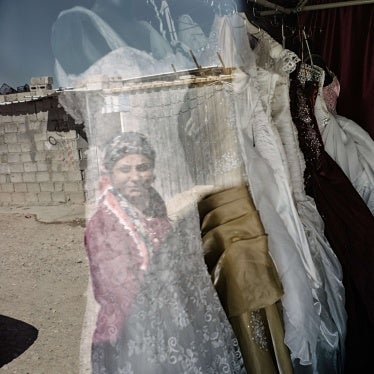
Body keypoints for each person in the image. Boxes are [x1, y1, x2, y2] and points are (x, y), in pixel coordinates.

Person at [84, 132, 246, 373]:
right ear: (110, 173)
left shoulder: (153, 207)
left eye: (142, 167)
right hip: (132, 328)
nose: (135, 177)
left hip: (172, 317)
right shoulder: (104, 223)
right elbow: (117, 288)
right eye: (124, 169)